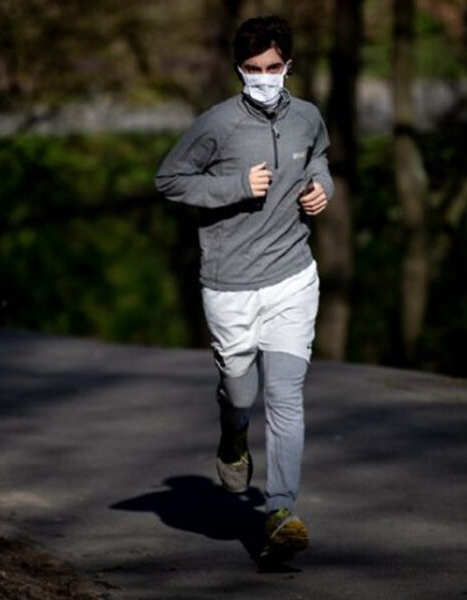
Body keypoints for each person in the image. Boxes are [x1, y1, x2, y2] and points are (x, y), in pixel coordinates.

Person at [154, 15, 333, 558]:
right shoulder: (217, 125)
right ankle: (233, 434)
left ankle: (280, 511)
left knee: (284, 396)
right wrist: (235, 185)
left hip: (292, 278)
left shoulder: (307, 117)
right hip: (230, 284)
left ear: (288, 66)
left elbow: (319, 156)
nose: (263, 77)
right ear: (239, 70)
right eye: (253, 69)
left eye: (273, 67)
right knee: (242, 393)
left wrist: (321, 187)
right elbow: (170, 179)